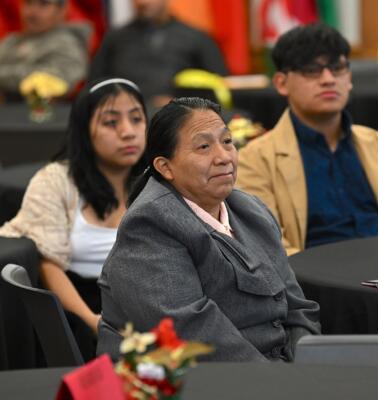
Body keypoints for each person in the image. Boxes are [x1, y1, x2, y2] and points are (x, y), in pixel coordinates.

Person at [97, 97, 320, 361]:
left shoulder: (251, 210)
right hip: (193, 380)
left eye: (227, 142)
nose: (224, 157)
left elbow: (297, 306)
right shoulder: (149, 224)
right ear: (165, 167)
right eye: (204, 147)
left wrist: (306, 362)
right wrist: (278, 382)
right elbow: (190, 333)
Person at [236, 23, 378, 256]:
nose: (328, 79)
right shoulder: (254, 160)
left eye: (337, 68)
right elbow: (270, 249)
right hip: (316, 283)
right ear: (282, 83)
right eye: (312, 70)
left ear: (349, 78)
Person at [0, 78, 148, 360]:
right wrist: (94, 322)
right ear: (84, 130)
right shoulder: (56, 181)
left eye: (137, 119)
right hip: (81, 310)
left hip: (147, 301)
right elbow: (48, 264)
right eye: (111, 122)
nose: (128, 132)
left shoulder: (156, 180)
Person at [89, 0, 228, 104]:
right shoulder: (114, 39)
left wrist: (179, 104)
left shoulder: (197, 38)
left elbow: (220, 87)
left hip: (179, 120)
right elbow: (95, 85)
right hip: (125, 117)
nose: (142, 2)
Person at [0, 0, 90, 98]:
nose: (32, 12)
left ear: (61, 10)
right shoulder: (10, 41)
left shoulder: (67, 43)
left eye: (44, 4)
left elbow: (52, 80)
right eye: (28, 3)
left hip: (46, 110)